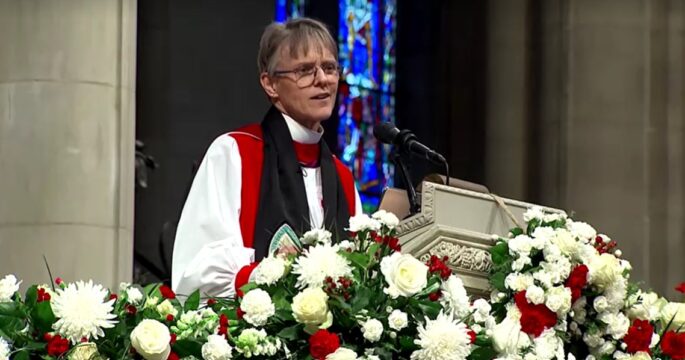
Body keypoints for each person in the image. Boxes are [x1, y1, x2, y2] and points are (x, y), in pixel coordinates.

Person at [171, 17, 362, 299]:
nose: (322, 79)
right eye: (305, 70)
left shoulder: (342, 177)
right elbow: (197, 269)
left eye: (330, 67)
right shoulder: (235, 153)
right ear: (270, 84)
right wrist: (268, 275)